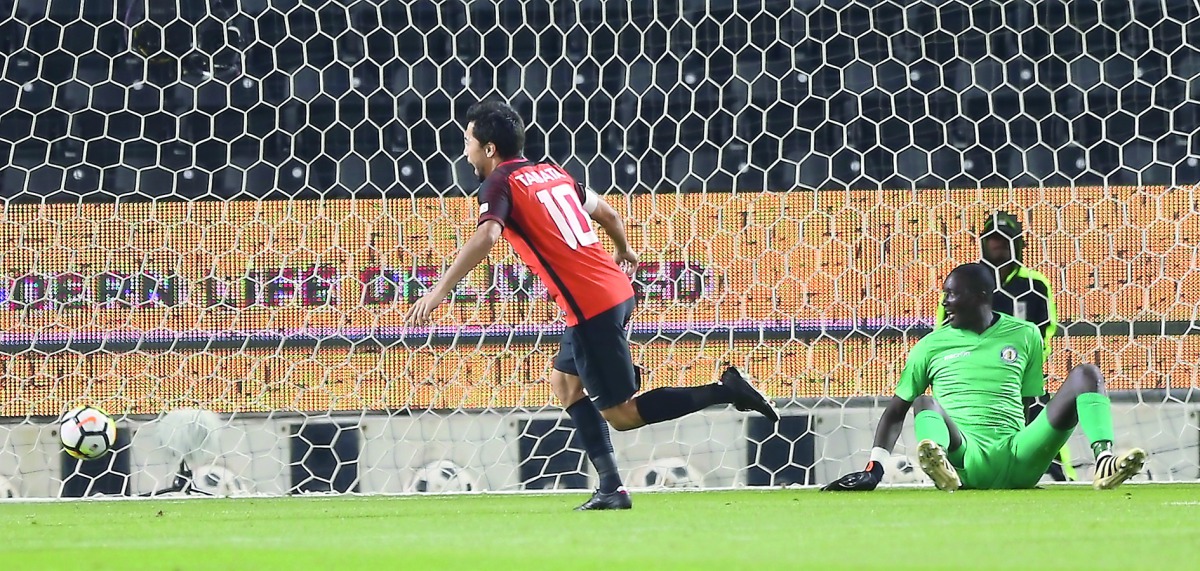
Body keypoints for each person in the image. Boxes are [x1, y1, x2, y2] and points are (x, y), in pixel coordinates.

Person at [404, 100, 779, 510]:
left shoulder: (498, 183)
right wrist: (625, 251)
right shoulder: (553, 172)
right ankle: (610, 487)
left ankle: (723, 391)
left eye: (468, 142)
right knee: (564, 384)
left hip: (590, 306)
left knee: (622, 415)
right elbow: (610, 214)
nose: (465, 152)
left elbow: (488, 236)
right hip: (611, 291)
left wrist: (439, 290)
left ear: (490, 149)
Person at [823, 263, 1145, 492]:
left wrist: (1048, 447)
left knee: (1086, 374)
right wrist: (874, 469)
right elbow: (896, 411)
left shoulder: (1025, 334)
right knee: (924, 401)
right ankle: (940, 465)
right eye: (944, 294)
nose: (944, 302)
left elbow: (1030, 401)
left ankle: (1103, 459)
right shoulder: (929, 346)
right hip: (966, 456)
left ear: (980, 296)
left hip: (1019, 453)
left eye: (951, 294)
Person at [936, 211, 1076, 481]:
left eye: (1004, 239)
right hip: (973, 382)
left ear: (1017, 244)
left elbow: (1045, 330)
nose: (997, 245)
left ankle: (1062, 477)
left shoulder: (1034, 284)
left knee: (1042, 424)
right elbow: (943, 332)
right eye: (992, 239)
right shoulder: (967, 282)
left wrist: (1020, 362)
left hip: (1019, 378)